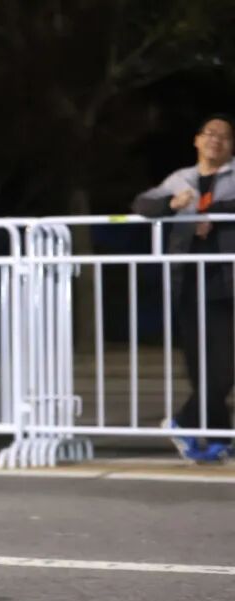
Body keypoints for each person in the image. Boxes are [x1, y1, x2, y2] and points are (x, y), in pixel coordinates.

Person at [132, 113, 235, 462]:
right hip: (190, 283)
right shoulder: (181, 179)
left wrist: (214, 213)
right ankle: (217, 437)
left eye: (224, 136)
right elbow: (142, 204)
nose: (216, 140)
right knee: (202, 366)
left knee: (226, 365)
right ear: (197, 140)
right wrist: (170, 205)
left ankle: (186, 422)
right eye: (210, 133)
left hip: (229, 281)